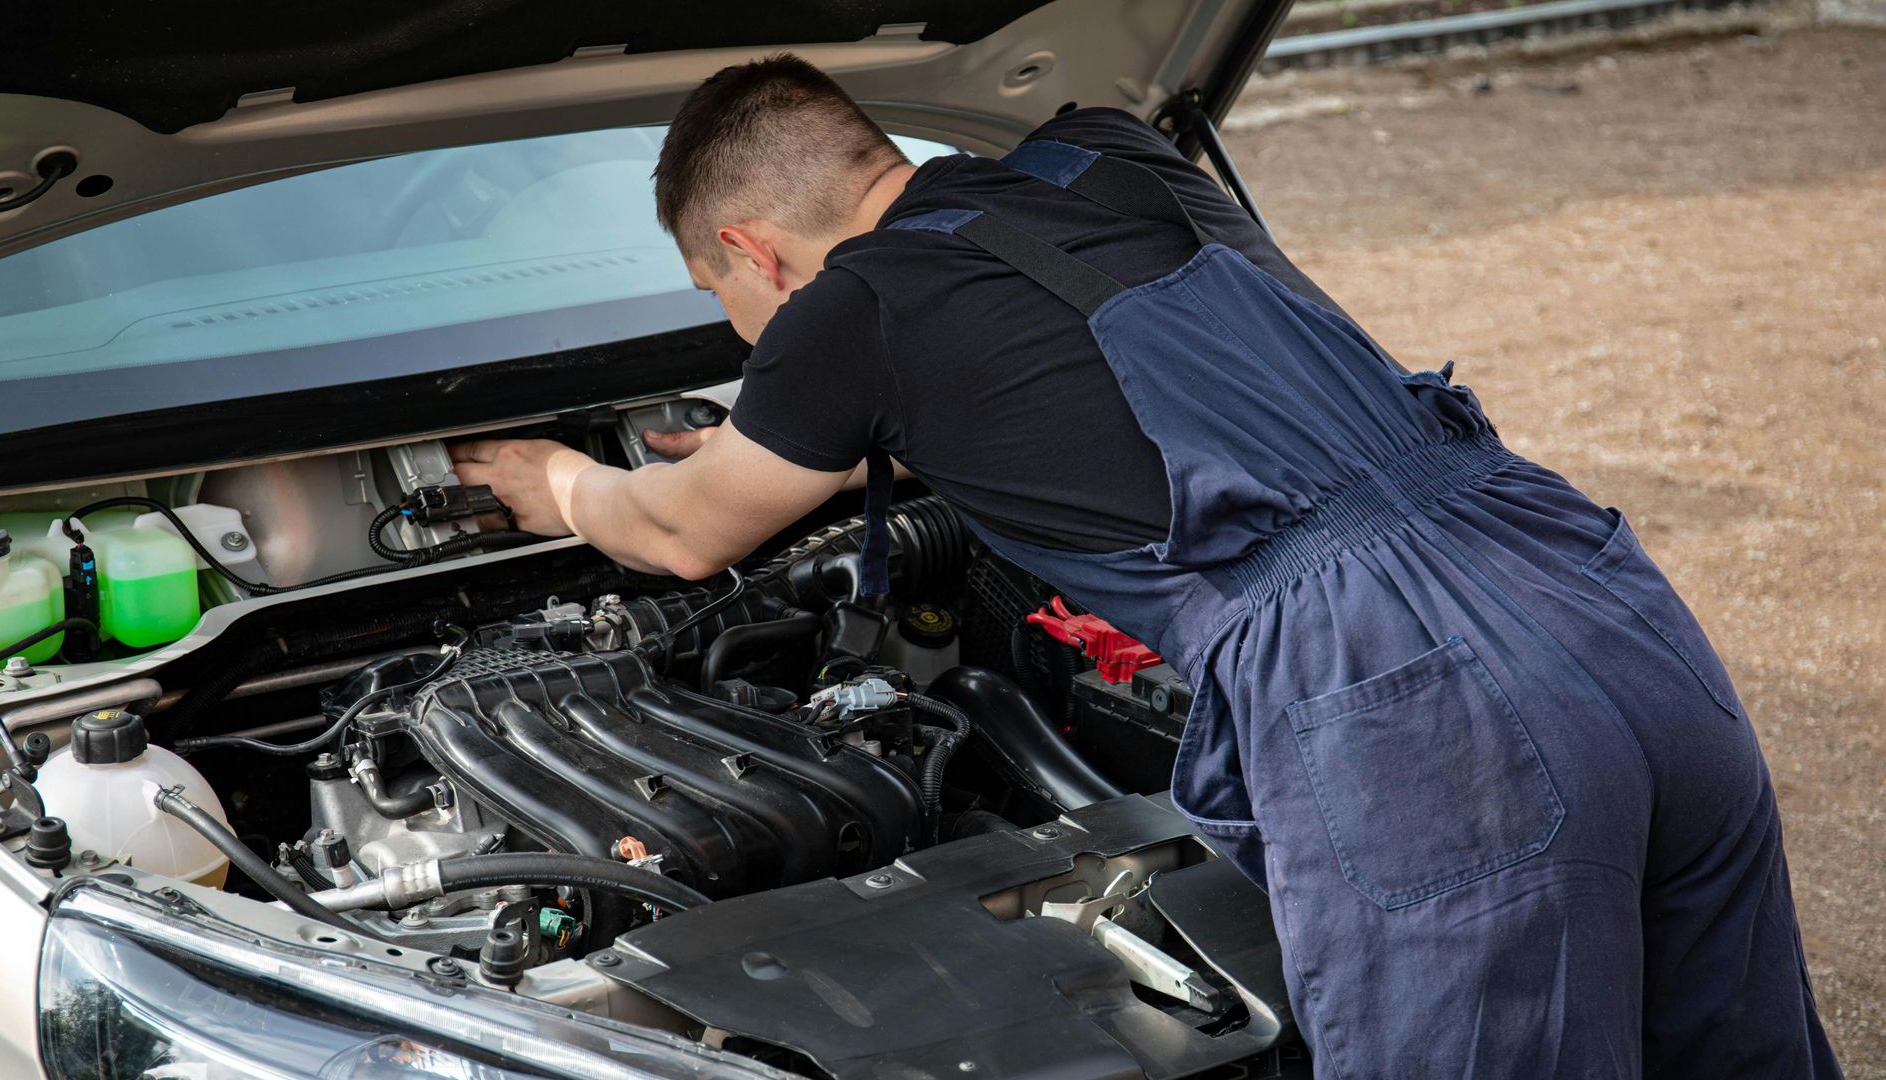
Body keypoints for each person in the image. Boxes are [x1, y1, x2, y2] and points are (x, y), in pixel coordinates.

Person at [450, 55, 1839, 1077]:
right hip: (1586, 583)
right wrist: (844, 430)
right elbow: (1148, 376)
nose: (759, 344)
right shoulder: (1115, 161)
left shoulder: (854, 304)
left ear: (755, 251)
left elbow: (682, 533)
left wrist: (556, 483)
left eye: (736, 306)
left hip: (1406, 689)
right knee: (1737, 1049)